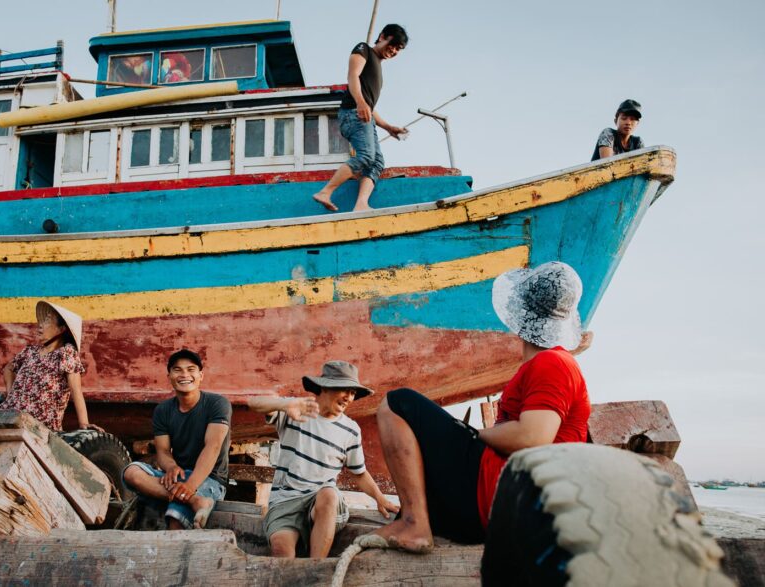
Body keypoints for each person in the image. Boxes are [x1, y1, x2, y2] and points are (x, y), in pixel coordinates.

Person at [369, 261, 590, 552]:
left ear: (522, 308)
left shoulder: (553, 363)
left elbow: (532, 437)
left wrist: (477, 435)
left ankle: (414, 523)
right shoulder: (550, 365)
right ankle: (417, 518)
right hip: (509, 505)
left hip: (499, 498)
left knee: (397, 403)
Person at [248, 361, 399, 558]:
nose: (349, 398)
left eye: (353, 392)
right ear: (324, 386)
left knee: (328, 493)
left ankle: (315, 567)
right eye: (345, 390)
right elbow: (253, 403)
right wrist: (284, 405)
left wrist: (380, 498)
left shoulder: (350, 430)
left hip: (322, 505)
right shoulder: (296, 409)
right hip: (285, 502)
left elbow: (359, 473)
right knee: (281, 551)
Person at [122, 349, 231, 530]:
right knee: (131, 473)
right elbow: (163, 452)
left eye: (191, 369)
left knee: (176, 520)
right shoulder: (163, 410)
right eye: (177, 370)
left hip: (209, 478)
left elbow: (213, 447)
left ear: (201, 375)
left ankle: (190, 498)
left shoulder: (218, 404)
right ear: (169, 376)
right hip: (179, 477)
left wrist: (190, 484)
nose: (184, 375)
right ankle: (196, 501)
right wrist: (171, 467)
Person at [312, 24, 409, 213]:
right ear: (383, 36)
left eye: (399, 49)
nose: (394, 50)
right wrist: (360, 102)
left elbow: (370, 108)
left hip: (364, 116)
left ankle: (361, 205)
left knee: (377, 162)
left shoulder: (379, 70)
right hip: (352, 113)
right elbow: (352, 76)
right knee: (366, 156)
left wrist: (388, 127)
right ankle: (325, 192)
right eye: (393, 44)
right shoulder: (363, 49)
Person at [0, 301, 102, 433]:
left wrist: (84, 423)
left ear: (61, 329)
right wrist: (10, 393)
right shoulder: (30, 351)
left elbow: (75, 389)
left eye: (47, 321)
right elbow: (8, 368)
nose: (40, 326)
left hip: (39, 427)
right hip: (10, 417)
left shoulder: (66, 353)